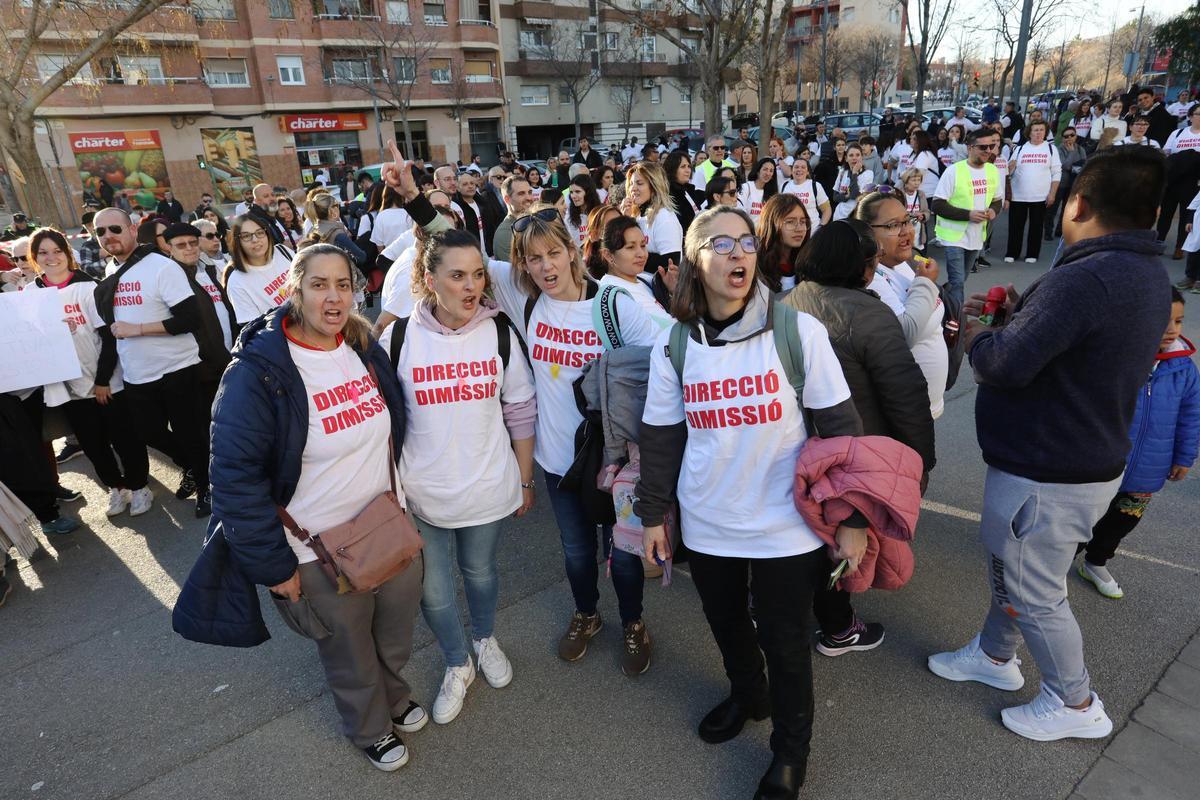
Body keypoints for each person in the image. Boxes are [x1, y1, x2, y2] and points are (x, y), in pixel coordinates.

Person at [928, 147, 1172, 742]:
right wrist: (1023, 316)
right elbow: (1070, 343)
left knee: (1034, 589)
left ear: (1078, 203)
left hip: (1049, 465)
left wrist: (982, 332)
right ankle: (993, 656)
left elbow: (1005, 365)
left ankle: (1075, 700)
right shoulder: (1143, 270)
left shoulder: (1089, 275)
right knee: (1017, 569)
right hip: (1081, 454)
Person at [636, 205, 865, 800]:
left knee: (786, 642)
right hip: (709, 521)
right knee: (726, 622)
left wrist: (853, 517)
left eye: (745, 242)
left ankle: (791, 752)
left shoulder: (796, 332)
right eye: (720, 244)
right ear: (694, 260)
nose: (737, 254)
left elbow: (842, 432)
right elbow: (661, 435)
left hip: (785, 526)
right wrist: (652, 514)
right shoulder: (677, 345)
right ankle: (748, 693)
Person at [196, 243, 423, 770]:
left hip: (385, 526)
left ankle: (394, 697)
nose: (333, 296)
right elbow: (233, 480)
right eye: (318, 285)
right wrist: (276, 568)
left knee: (393, 632)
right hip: (315, 548)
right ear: (294, 292)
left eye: (343, 284)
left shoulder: (363, 347)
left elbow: (394, 426)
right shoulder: (258, 373)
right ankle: (369, 727)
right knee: (348, 649)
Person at [379, 229, 536, 724]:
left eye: (477, 275)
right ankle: (456, 662)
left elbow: (521, 408)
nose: (471, 287)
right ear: (430, 280)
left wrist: (526, 479)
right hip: (422, 494)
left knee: (482, 574)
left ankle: (485, 639)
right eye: (457, 276)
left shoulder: (499, 332)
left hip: (488, 487)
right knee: (434, 591)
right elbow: (378, 419)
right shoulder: (399, 337)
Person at [1077, 288, 1198, 599]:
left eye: (1179, 321)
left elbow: (1190, 416)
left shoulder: (1183, 367)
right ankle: (1057, 562)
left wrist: (1185, 457)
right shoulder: (1118, 359)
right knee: (1082, 518)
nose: (1172, 330)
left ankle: (1095, 562)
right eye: (1163, 321)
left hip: (1149, 467)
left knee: (1121, 522)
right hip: (1103, 462)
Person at [91, 207, 211, 516]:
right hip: (136, 373)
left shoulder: (161, 267)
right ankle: (196, 467)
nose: (108, 236)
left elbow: (190, 319)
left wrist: (139, 329)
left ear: (132, 229)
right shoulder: (110, 271)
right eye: (100, 232)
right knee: (148, 432)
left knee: (189, 432)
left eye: (114, 229)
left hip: (176, 367)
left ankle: (207, 487)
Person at [29, 228, 151, 518]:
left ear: (67, 253)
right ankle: (116, 487)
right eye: (43, 252)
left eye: (57, 251)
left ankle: (139, 486)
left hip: (104, 382)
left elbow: (108, 337)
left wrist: (102, 380)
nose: (51, 257)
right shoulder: (31, 293)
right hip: (68, 388)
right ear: (35, 258)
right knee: (93, 444)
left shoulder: (88, 286)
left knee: (124, 438)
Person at [854, 190, 947, 419]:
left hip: (924, 406)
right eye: (894, 225)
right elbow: (904, 333)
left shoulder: (902, 263)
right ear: (868, 232)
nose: (907, 231)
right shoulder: (871, 277)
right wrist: (925, 282)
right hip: (901, 413)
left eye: (908, 220)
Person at [931, 127, 1003, 308]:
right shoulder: (954, 171)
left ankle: (939, 302)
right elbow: (937, 205)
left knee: (960, 279)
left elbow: (997, 200)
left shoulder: (992, 171)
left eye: (991, 146)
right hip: (953, 237)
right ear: (970, 148)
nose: (988, 151)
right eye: (983, 147)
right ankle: (956, 321)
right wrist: (968, 215)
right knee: (957, 282)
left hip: (976, 236)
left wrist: (994, 211)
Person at [1005, 121, 1061, 263]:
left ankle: (1032, 254)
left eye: (1041, 130)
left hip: (1040, 196)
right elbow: (1009, 171)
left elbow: (1056, 173)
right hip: (1019, 195)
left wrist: (1052, 193)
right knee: (1015, 226)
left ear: (1046, 132)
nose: (1038, 133)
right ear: (1029, 132)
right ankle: (1012, 252)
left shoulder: (1051, 149)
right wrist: (1009, 168)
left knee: (1036, 227)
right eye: (1035, 130)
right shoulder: (1020, 149)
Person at [223, 214, 295, 325]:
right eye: (246, 236)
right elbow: (255, 329)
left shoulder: (283, 251)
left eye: (260, 233)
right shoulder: (236, 282)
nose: (255, 240)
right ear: (237, 241)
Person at [623, 162, 683, 272]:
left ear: (654, 186)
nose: (633, 188)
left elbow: (671, 262)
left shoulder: (664, 216)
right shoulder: (634, 215)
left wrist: (629, 256)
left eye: (639, 183)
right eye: (631, 184)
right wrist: (625, 220)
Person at [1159, 104, 1200, 259]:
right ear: (1190, 117)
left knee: (1186, 215)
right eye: (1198, 114)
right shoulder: (1178, 133)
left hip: (1192, 182)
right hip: (1174, 179)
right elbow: (1166, 153)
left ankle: (1179, 247)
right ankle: (1160, 242)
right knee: (1166, 213)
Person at [756, 193, 810, 293]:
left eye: (802, 221)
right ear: (772, 224)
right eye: (790, 222)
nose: (799, 228)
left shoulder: (808, 264)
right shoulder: (756, 266)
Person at [1046, 127, 1087, 240]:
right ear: (1062, 138)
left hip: (1074, 184)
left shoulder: (1081, 149)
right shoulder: (1058, 149)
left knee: (1067, 210)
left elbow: (1083, 165)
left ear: (1076, 136)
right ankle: (1048, 231)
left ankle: (1060, 230)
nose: (1069, 138)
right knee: (1052, 210)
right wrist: (1071, 153)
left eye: (1072, 135)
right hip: (1060, 183)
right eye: (1066, 136)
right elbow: (1065, 165)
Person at [779, 159, 831, 233]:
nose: (799, 169)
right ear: (792, 170)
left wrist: (821, 227)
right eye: (796, 167)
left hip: (812, 232)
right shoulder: (784, 186)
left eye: (803, 167)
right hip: (789, 233)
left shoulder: (815, 186)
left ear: (807, 172)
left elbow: (827, 210)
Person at [492, 175, 533, 263]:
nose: (529, 198)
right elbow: (517, 272)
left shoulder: (532, 221)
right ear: (507, 199)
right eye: (521, 193)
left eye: (529, 192)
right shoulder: (505, 233)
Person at [664, 150, 705, 236]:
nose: (688, 170)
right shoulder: (669, 194)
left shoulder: (689, 190)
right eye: (683, 167)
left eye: (689, 166)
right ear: (673, 169)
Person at [829, 143, 872, 221]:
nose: (854, 158)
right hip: (838, 216)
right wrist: (847, 196)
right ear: (846, 158)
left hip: (855, 217)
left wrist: (854, 173)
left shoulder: (868, 174)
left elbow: (855, 194)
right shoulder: (842, 172)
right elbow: (835, 197)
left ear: (862, 157)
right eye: (851, 155)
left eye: (857, 155)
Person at [564, 174, 602, 246]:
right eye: (571, 192)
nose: (573, 196)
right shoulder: (568, 214)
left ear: (588, 192)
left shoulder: (600, 212)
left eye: (578, 192)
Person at [898, 168, 930, 252]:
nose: (917, 183)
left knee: (919, 260)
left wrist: (923, 216)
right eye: (913, 180)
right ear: (906, 181)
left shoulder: (921, 194)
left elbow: (927, 212)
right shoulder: (899, 194)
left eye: (919, 180)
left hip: (918, 236)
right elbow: (896, 215)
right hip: (904, 233)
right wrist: (912, 215)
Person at [737, 158, 777, 223]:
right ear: (758, 171)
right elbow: (739, 210)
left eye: (771, 171)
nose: (768, 173)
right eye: (765, 169)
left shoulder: (772, 193)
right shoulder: (746, 187)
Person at [77, 211, 104, 279]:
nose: (93, 227)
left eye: (95, 223)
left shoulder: (114, 236)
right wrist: (107, 261)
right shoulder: (87, 246)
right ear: (86, 228)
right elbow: (86, 269)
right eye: (89, 225)